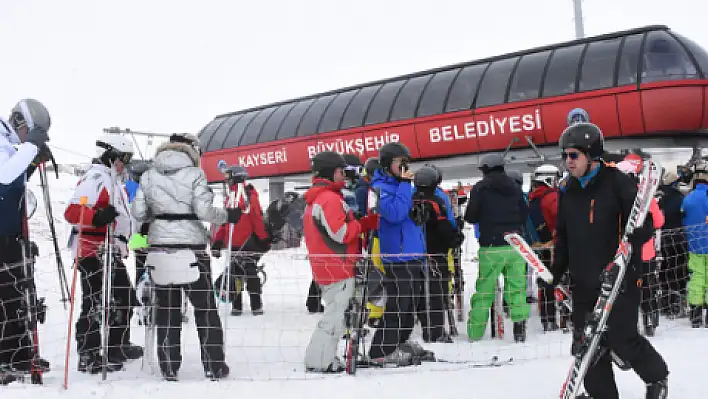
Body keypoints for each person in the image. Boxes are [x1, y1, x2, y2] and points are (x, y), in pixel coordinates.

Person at [549, 122, 668, 398]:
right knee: (585, 344)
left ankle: (657, 378)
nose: (568, 162)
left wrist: (640, 234)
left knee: (622, 338)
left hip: (619, 277)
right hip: (583, 281)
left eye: (573, 155)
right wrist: (557, 271)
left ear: (591, 155)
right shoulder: (568, 191)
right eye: (565, 155)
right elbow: (563, 237)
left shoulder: (616, 183)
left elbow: (643, 220)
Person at [131, 133, 240, 381]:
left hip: (160, 248)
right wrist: (226, 215)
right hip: (192, 248)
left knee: (167, 308)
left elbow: (138, 211)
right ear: (192, 152)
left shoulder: (148, 175)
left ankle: (169, 365)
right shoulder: (195, 174)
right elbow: (204, 211)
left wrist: (155, 219)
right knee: (205, 308)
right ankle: (214, 364)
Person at [64, 134, 142, 374]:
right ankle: (88, 353)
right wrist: (97, 218)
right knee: (94, 301)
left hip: (110, 249)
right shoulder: (95, 177)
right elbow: (72, 211)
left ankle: (117, 345)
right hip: (92, 250)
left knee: (124, 297)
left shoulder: (113, 180)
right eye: (122, 159)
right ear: (111, 156)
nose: (124, 165)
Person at [302, 151, 378, 372]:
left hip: (329, 264)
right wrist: (363, 224)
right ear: (331, 172)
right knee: (334, 319)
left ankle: (321, 358)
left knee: (335, 316)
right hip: (338, 266)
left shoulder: (318, 198)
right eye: (340, 172)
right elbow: (341, 233)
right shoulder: (329, 199)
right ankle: (320, 361)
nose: (344, 177)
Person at [0, 99, 52, 380]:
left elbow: (14, 179)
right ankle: (6, 360)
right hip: (1, 235)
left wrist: (31, 162)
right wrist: (31, 147)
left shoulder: (8, 143)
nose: (26, 139)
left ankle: (19, 355)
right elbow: (4, 176)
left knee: (17, 296)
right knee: (6, 298)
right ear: (23, 124)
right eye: (31, 133)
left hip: (9, 231)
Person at [367, 142, 430, 365]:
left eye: (406, 162)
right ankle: (380, 350)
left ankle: (401, 340)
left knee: (410, 304)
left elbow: (405, 213)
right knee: (397, 305)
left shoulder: (401, 186)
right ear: (386, 164)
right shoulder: (380, 187)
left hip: (412, 253)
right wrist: (405, 185)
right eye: (399, 162)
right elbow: (393, 214)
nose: (404, 166)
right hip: (398, 256)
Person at [464, 153, 530, 343]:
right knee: (517, 289)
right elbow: (524, 214)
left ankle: (475, 334)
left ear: (485, 169)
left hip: (491, 246)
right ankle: (519, 330)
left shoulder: (480, 188)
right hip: (514, 244)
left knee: (484, 291)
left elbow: (471, 216)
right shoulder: (515, 188)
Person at [412, 166, 462, 343]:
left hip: (414, 254)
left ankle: (426, 327)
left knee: (419, 293)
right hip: (435, 253)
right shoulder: (436, 201)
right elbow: (444, 227)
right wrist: (455, 237)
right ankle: (435, 331)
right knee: (437, 293)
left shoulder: (410, 200)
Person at [212, 165, 270, 316]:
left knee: (250, 274)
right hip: (233, 243)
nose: (226, 182)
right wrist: (218, 241)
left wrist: (262, 238)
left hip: (248, 243)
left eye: (228, 179)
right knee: (233, 275)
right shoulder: (230, 198)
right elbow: (225, 223)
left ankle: (256, 305)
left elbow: (256, 219)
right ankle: (236, 305)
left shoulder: (248, 196)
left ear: (236, 178)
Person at [527, 164, 563, 331]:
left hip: (540, 245)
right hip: (556, 244)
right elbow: (562, 218)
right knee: (559, 282)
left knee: (545, 281)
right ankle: (558, 319)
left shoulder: (533, 197)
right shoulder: (552, 196)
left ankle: (546, 318)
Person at [655, 169, 689, 316]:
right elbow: (684, 215)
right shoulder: (680, 198)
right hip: (680, 237)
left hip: (663, 238)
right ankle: (678, 299)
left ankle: (665, 300)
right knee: (680, 267)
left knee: (665, 266)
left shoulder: (658, 197)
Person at [680, 161, 708, 328]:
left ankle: (696, 314)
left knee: (696, 277)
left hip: (694, 245)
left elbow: (682, 219)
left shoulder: (688, 199)